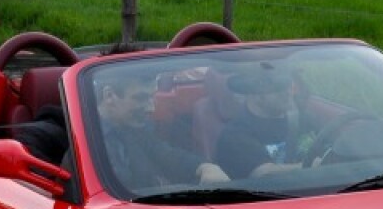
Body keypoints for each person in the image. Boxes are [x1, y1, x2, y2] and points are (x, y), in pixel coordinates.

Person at [97, 70, 229, 192]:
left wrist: (203, 167)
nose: (151, 108)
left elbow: (164, 153)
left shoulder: (135, 127)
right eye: (140, 98)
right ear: (109, 96)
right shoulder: (83, 142)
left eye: (152, 97)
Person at [214, 70, 314, 179]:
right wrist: (312, 166)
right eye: (278, 89)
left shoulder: (303, 119)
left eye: (288, 86)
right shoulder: (235, 134)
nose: (287, 93)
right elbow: (264, 174)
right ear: (256, 95)